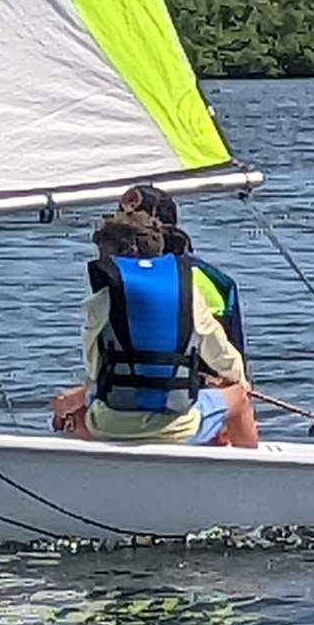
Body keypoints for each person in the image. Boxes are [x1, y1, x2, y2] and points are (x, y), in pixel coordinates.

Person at [52, 210, 258, 448]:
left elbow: (95, 371)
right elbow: (225, 359)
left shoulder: (100, 301)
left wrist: (74, 398)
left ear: (127, 253)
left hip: (109, 425)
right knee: (239, 398)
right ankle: (253, 474)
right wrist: (236, 383)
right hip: (178, 428)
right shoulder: (188, 295)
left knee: (71, 408)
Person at [117, 185, 248, 361]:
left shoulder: (110, 278)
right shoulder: (200, 277)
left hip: (125, 382)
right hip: (192, 381)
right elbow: (225, 357)